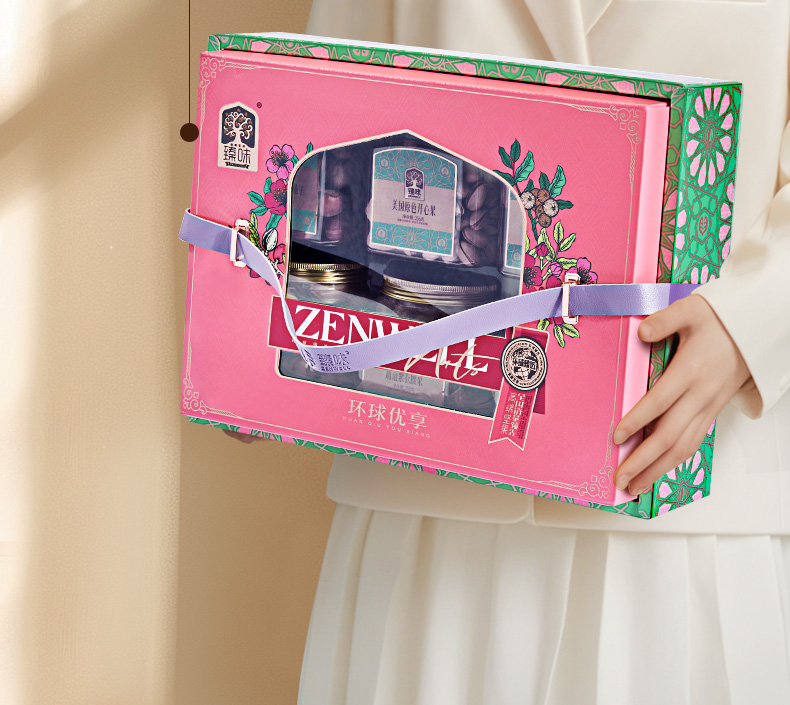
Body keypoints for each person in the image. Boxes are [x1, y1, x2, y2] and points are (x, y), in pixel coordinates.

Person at [245, 2, 790, 703]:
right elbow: (317, 102)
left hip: (689, 493)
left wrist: (751, 322)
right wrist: (261, 331)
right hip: (429, 489)